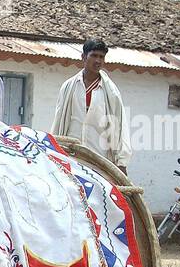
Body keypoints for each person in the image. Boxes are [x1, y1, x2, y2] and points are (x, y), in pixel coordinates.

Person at [50, 38, 130, 171]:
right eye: (93, 55)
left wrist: (121, 161)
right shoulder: (69, 87)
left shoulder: (111, 92)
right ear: (84, 57)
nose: (98, 61)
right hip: (71, 155)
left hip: (99, 157)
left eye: (101, 57)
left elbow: (120, 126)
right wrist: (53, 149)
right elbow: (59, 120)